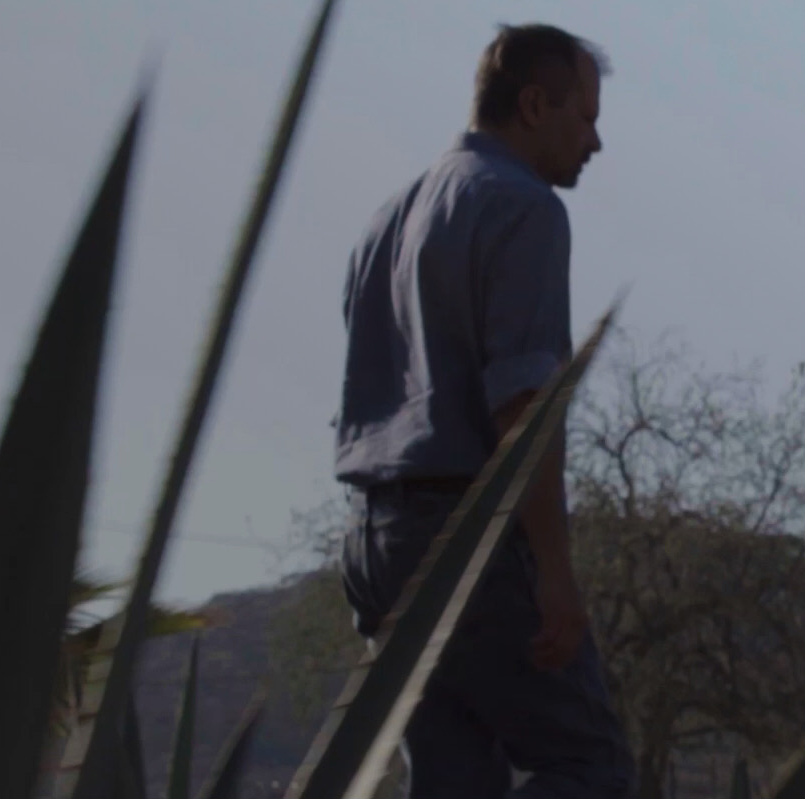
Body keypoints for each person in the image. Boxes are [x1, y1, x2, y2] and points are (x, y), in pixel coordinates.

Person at [330, 21, 632, 799]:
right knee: (590, 764)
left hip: (373, 541)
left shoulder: (388, 219)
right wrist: (556, 575)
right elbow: (524, 412)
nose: (596, 142)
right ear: (535, 104)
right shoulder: (523, 208)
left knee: (451, 779)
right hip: (463, 538)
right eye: (587, 116)